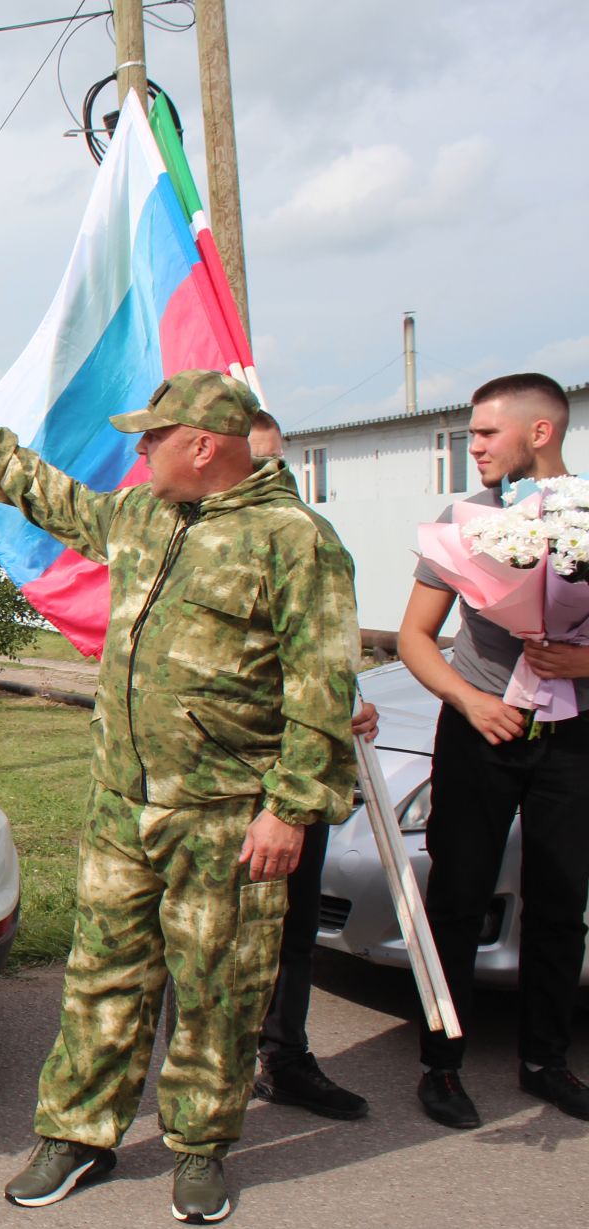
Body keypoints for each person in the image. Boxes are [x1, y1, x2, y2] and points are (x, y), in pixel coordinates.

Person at [0, 369, 358, 1224]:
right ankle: (78, 1135)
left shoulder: (293, 540)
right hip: (124, 805)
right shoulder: (145, 515)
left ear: (204, 445)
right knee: (100, 975)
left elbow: (322, 685)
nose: (140, 448)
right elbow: (63, 503)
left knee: (217, 988)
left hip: (226, 815)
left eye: (154, 436)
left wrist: (291, 808)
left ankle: (199, 1148)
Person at [396, 372, 589, 1129]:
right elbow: (415, 637)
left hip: (572, 737)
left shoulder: (587, 511)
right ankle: (440, 1065)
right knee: (458, 896)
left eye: (484, 433)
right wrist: (471, 700)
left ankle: (546, 1061)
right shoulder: (462, 519)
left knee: (559, 901)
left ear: (539, 433)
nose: (471, 446)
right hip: (480, 733)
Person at [246, 410, 376, 1121]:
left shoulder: (305, 540)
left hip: (299, 768)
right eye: (257, 466)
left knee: (294, 926)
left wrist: (346, 701)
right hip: (224, 775)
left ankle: (284, 1055)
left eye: (279, 466)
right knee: (207, 935)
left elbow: (317, 645)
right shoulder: (198, 544)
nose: (272, 482)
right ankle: (207, 1076)